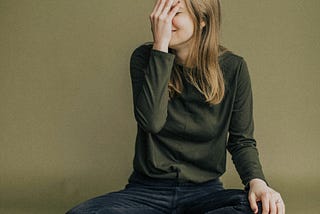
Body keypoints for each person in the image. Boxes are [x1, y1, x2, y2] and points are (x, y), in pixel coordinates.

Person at [66, 0, 285, 213]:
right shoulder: (144, 58)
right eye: (162, 11)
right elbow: (152, 122)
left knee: (258, 208)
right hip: (146, 193)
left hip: (205, 193)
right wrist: (160, 48)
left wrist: (258, 182)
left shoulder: (233, 68)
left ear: (202, 20)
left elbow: (241, 141)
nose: (164, 20)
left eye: (176, 13)